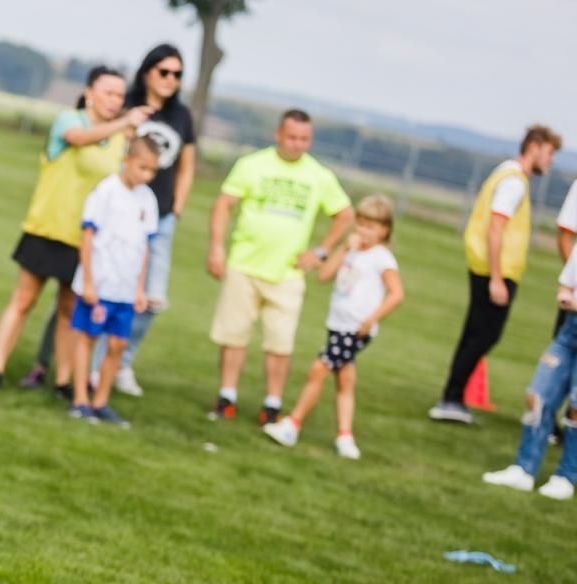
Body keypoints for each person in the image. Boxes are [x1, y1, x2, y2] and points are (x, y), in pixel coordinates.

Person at [0, 67, 149, 390]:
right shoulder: (70, 120)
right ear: (89, 93)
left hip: (85, 239)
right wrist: (123, 123)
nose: (115, 101)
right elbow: (79, 139)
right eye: (108, 93)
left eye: (120, 95)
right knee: (24, 300)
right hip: (47, 227)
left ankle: (62, 381)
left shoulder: (120, 140)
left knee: (68, 309)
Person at [205, 109, 353, 424]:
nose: (297, 144)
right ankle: (227, 397)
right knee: (234, 335)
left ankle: (272, 405)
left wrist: (321, 251)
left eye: (304, 139)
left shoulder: (319, 175)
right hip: (244, 264)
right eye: (292, 137)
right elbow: (224, 204)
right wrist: (217, 246)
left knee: (280, 343)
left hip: (287, 272)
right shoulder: (252, 165)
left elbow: (344, 214)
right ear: (278, 135)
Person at [429, 125, 563, 424]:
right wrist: (497, 278)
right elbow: (496, 228)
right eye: (550, 152)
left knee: (475, 333)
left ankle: (453, 396)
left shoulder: (505, 173)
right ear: (534, 147)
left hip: (485, 267)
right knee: (485, 335)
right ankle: (451, 398)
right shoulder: (514, 182)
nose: (551, 160)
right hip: (495, 270)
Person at [87, 43, 196, 397]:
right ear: (148, 71)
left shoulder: (182, 116)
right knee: (105, 289)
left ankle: (121, 362)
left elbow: (187, 165)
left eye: (177, 74)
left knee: (151, 298)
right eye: (164, 71)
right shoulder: (130, 106)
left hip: (159, 216)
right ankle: (92, 366)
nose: (171, 79)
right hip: (120, 215)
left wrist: (177, 207)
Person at [262, 196, 404, 459]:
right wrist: (344, 249)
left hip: (355, 330)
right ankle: (345, 438)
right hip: (338, 325)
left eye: (371, 227)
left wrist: (371, 319)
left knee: (318, 370)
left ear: (384, 230)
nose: (363, 231)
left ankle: (293, 424)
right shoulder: (353, 251)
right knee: (345, 380)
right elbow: (324, 275)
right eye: (361, 224)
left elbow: (396, 294)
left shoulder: (381, 258)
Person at [66, 136, 160, 427]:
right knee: (88, 338)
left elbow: (144, 246)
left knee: (118, 345)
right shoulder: (105, 191)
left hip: (125, 289)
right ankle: (80, 399)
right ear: (126, 160)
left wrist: (140, 287)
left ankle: (101, 402)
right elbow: (87, 237)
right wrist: (89, 282)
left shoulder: (148, 199)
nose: (147, 175)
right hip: (100, 284)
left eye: (153, 170)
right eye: (142, 167)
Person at [482, 243, 577, 500]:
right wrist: (564, 296)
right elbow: (566, 285)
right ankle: (524, 470)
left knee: (576, 407)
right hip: (569, 333)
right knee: (537, 395)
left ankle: (566, 477)